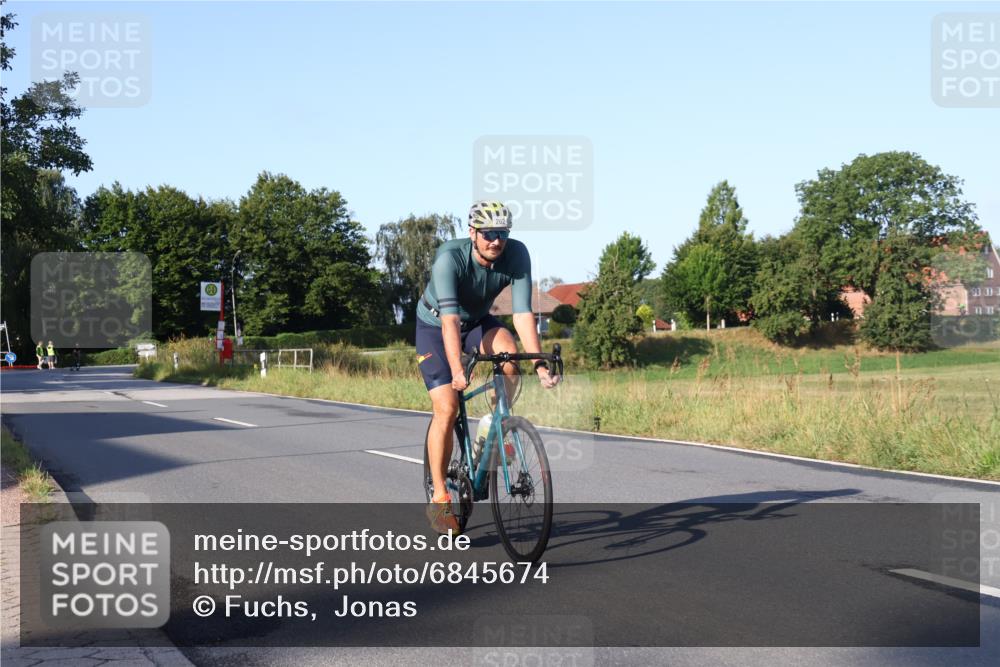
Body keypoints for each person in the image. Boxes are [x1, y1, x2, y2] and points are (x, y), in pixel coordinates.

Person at [418, 201, 560, 535]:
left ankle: (492, 428)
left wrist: (539, 365)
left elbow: (523, 315)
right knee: (447, 407)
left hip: (479, 322)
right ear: (472, 233)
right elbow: (450, 322)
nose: (496, 241)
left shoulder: (517, 255)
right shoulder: (449, 259)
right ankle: (439, 498)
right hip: (436, 327)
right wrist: (457, 369)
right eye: (488, 234)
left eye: (502, 234)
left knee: (509, 352)